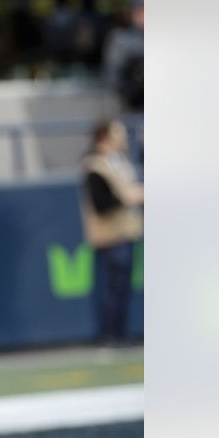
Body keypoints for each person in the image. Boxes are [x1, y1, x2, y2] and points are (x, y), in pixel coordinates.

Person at [80, 119, 143, 346]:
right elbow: (101, 203)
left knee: (123, 288)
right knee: (110, 289)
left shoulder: (120, 163)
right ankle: (108, 335)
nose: (123, 138)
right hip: (109, 237)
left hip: (126, 234)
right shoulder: (95, 166)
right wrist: (127, 198)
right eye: (117, 134)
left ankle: (120, 334)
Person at [102, 0, 144, 112]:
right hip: (130, 106)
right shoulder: (121, 40)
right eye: (139, 11)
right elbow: (111, 76)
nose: (142, 16)